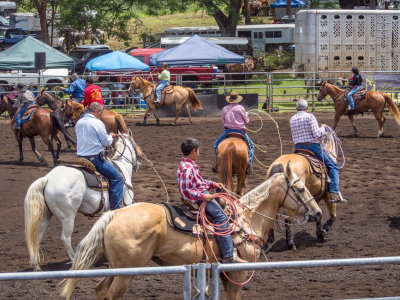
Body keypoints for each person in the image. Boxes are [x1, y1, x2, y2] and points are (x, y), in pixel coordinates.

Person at [177, 137, 236, 263]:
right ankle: (228, 255)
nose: (199, 153)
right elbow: (186, 190)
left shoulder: (189, 165)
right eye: (198, 151)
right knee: (221, 217)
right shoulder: (188, 168)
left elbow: (200, 183)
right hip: (197, 198)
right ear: (193, 151)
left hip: (199, 194)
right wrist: (203, 196)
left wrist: (213, 184)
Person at [290, 99, 347, 204]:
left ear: (297, 108)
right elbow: (317, 134)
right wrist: (323, 128)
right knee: (333, 166)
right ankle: (334, 192)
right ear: (306, 108)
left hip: (298, 148)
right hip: (312, 147)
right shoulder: (310, 116)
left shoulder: (292, 118)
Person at [75, 102, 122, 210]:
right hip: (95, 159)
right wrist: (110, 136)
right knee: (117, 178)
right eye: (100, 112)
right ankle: (116, 209)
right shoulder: (97, 123)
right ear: (97, 112)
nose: (101, 114)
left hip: (81, 158)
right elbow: (106, 143)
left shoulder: (79, 122)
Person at [213, 92, 254, 174]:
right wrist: (246, 115)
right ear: (237, 99)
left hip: (228, 131)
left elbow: (223, 121)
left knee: (216, 144)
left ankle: (216, 163)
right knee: (251, 146)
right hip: (240, 132)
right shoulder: (241, 108)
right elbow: (247, 121)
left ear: (230, 99)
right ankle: (249, 163)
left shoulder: (225, 108)